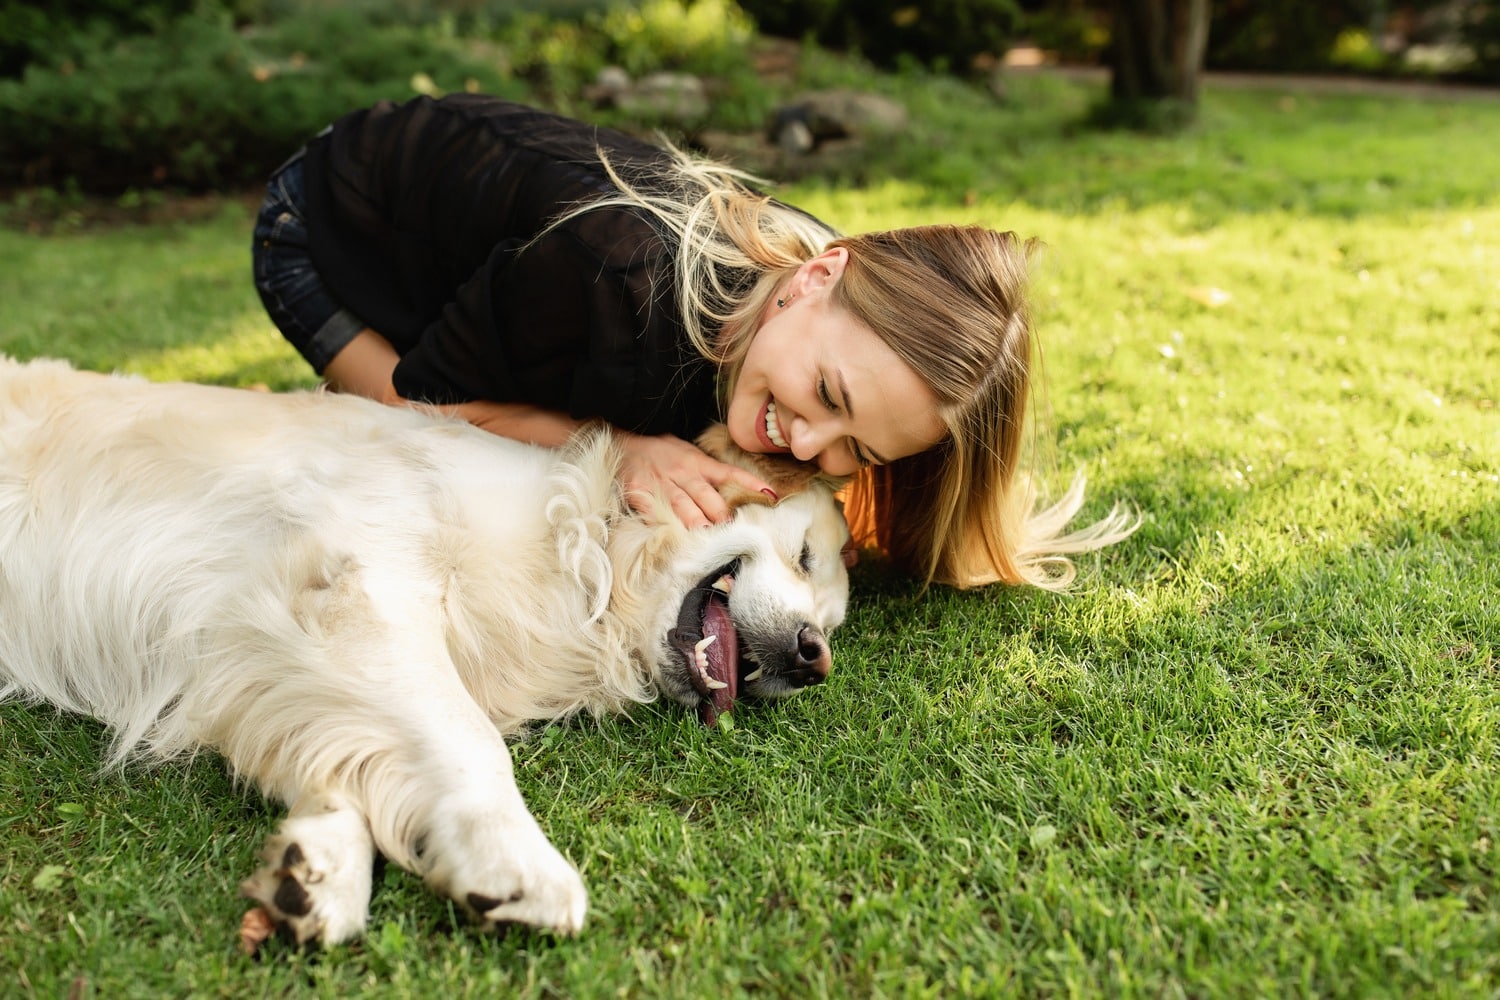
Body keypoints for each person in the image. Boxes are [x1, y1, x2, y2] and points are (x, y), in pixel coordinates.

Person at [252, 94, 1133, 590]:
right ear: (815, 277)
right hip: (326, 228)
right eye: (830, 397)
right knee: (395, 438)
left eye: (857, 450)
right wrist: (617, 448)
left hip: (492, 266)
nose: (812, 445)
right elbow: (424, 406)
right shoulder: (614, 274)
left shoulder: (814, 317)